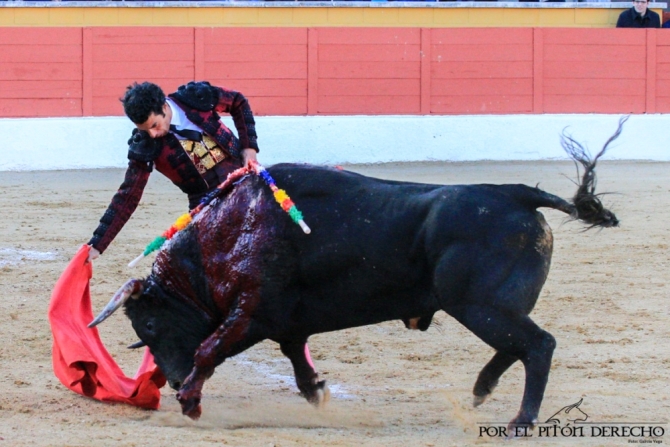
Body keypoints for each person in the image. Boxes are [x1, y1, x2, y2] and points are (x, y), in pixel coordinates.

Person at [87, 81, 259, 262]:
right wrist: (98, 244)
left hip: (245, 179)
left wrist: (249, 147)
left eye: (154, 125)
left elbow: (238, 102)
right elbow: (128, 195)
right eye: (145, 130)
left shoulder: (195, 98)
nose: (152, 134)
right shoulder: (145, 145)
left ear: (164, 107)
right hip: (205, 204)